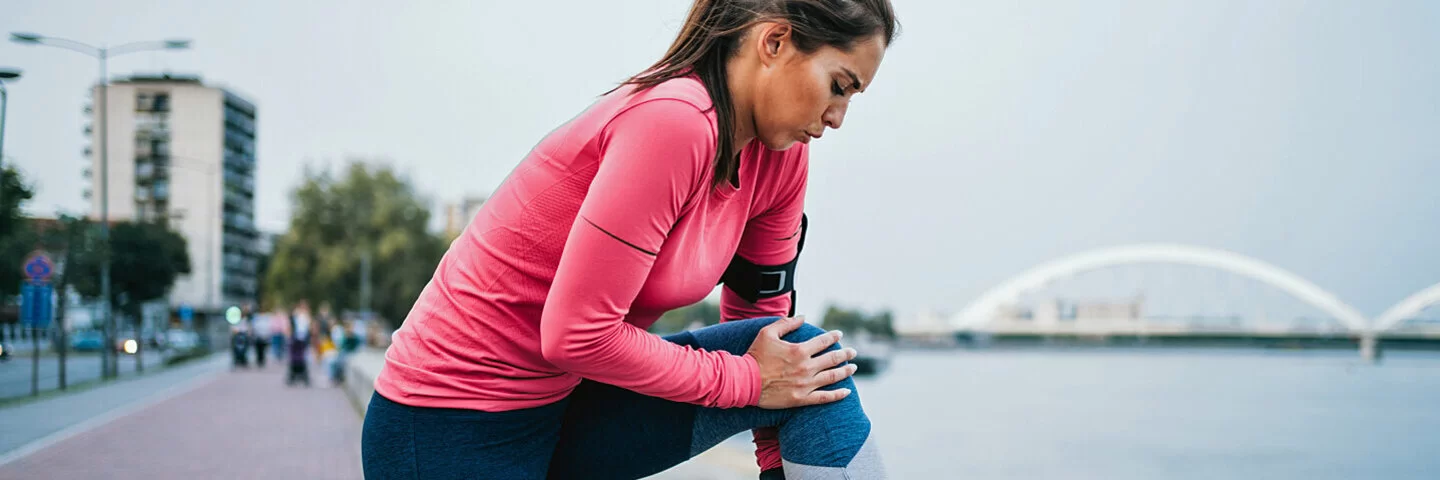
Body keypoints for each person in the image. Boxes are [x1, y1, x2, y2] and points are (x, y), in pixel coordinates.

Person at [361, 1, 897, 478]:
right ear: (774, 42)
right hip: (448, 422)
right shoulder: (676, 123)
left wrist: (775, 449)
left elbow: (769, 336)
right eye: (839, 86)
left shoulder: (781, 159)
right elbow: (575, 335)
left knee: (814, 365)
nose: (837, 118)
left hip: (566, 405)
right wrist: (749, 383)